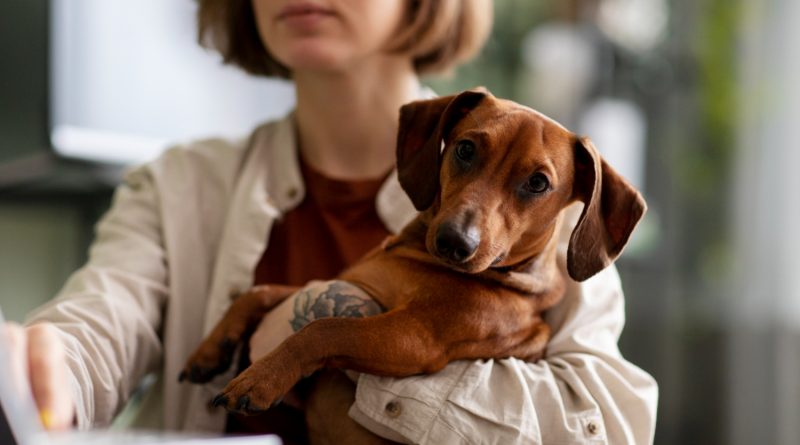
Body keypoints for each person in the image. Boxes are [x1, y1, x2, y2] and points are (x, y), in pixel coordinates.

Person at [3, 0, 658, 443]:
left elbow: (605, 426)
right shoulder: (178, 185)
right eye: (466, 156)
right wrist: (30, 365)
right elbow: (93, 330)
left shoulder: (553, 228)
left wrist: (307, 330)